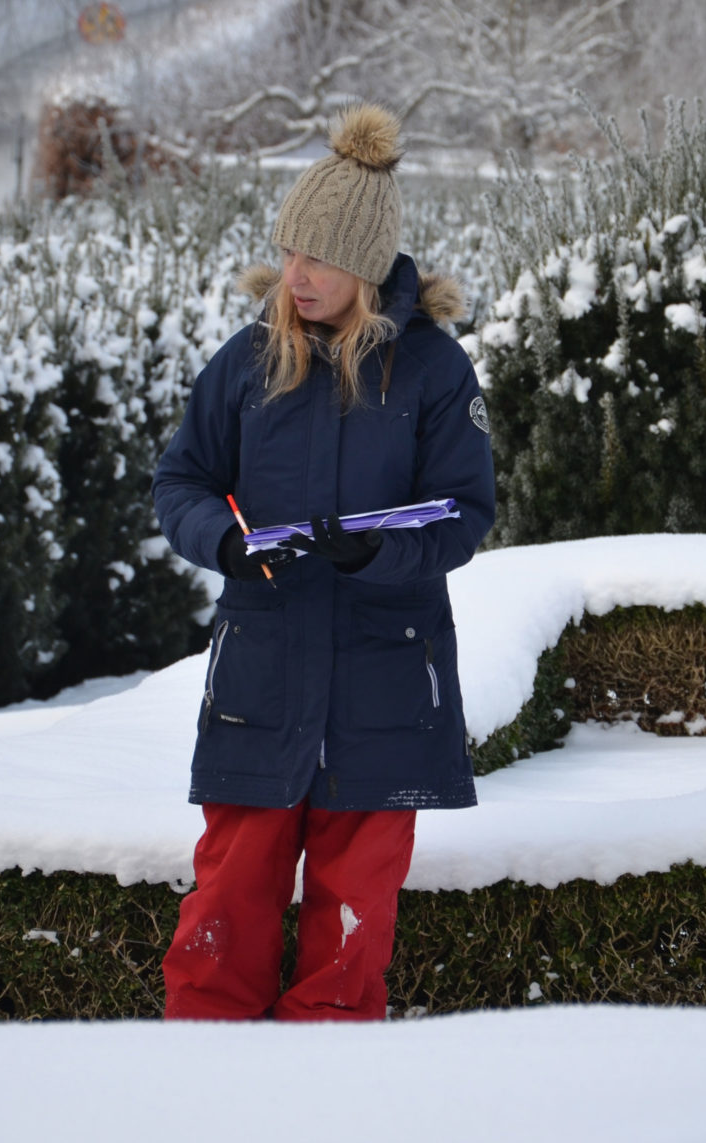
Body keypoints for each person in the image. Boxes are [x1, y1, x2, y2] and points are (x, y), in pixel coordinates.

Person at [151, 103, 496, 1021]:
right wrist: (219, 539)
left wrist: (379, 551)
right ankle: (196, 1088)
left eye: (319, 260)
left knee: (348, 940)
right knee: (223, 913)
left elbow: (466, 514)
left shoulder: (433, 373)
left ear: (368, 268)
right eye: (289, 253)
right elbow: (180, 480)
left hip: (386, 686)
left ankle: (328, 1121)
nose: (295, 277)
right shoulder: (246, 364)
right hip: (260, 677)